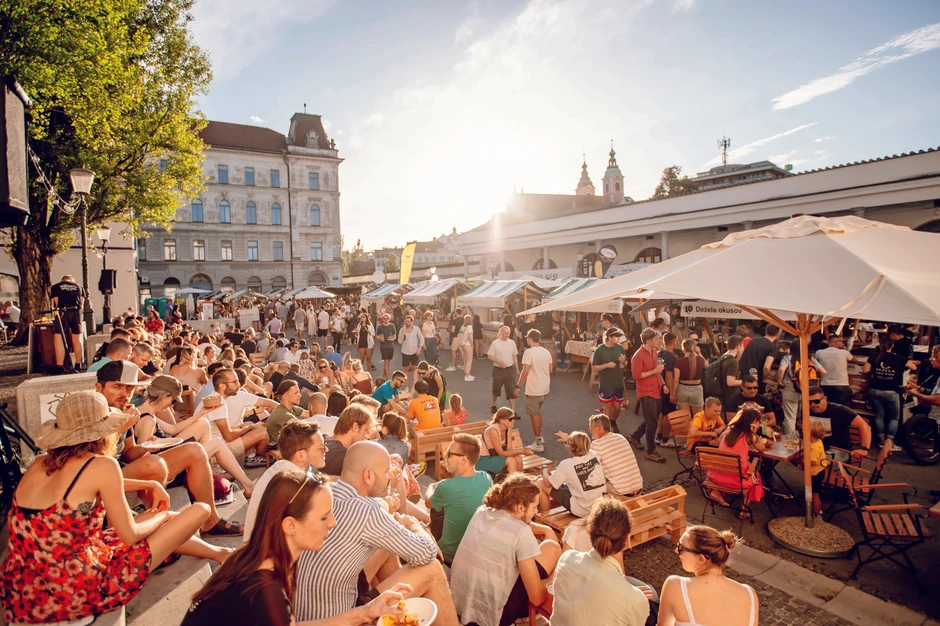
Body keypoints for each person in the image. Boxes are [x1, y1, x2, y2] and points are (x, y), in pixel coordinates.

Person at [2, 391, 227, 625]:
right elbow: (130, 536)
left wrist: (148, 484)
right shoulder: (101, 465)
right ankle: (219, 551)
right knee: (199, 510)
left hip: (22, 593)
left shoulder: (39, 464)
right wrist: (159, 517)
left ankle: (220, 554)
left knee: (156, 520)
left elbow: (88, 482)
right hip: (73, 591)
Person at [183, 470, 411, 626]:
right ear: (290, 525)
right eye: (324, 517)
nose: (333, 522)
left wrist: (365, 612)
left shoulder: (255, 557)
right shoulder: (265, 592)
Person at [295, 441, 460, 625]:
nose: (390, 476)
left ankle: (403, 612)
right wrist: (416, 527)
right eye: (386, 471)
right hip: (343, 617)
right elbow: (427, 554)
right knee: (433, 570)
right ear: (368, 475)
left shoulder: (328, 492)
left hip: (308, 612)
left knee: (386, 546)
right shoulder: (367, 511)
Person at [96, 362, 243, 537]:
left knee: (195, 450)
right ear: (99, 387)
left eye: (129, 388)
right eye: (116, 387)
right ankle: (152, 525)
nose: (124, 394)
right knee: (155, 464)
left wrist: (146, 447)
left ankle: (211, 522)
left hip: (126, 469)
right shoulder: (94, 412)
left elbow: (129, 453)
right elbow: (95, 462)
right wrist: (122, 429)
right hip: (104, 477)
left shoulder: (126, 411)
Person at [450, 473, 561, 626]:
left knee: (547, 549)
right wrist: (550, 580)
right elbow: (537, 598)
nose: (536, 512)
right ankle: (527, 614)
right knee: (553, 549)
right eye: (535, 507)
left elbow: (509, 522)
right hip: (493, 617)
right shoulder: (521, 532)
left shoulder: (482, 511)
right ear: (520, 506)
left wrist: (545, 530)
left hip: (459, 605)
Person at [551, 498, 651, 626]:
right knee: (652, 597)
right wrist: (632, 596)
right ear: (626, 538)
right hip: (629, 596)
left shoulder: (565, 559)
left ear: (589, 533)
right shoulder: (636, 600)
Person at [658, 525, 758, 626]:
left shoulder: (675, 586)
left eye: (680, 547)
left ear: (701, 559)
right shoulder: (749, 594)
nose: (676, 551)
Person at [243, 420, 327, 539]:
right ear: (300, 455)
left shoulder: (278, 468)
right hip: (272, 553)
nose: (326, 450)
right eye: (321, 447)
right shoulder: (296, 484)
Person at [425, 433, 493, 564]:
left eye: (449, 453)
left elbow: (428, 503)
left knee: (436, 506)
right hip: (476, 550)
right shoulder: (486, 478)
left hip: (450, 555)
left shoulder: (446, 486)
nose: (445, 457)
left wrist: (431, 486)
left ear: (463, 460)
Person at [196, 367, 276, 467]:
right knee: (261, 433)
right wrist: (251, 428)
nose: (239, 385)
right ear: (222, 386)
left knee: (248, 424)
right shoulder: (218, 403)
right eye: (235, 382)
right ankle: (262, 457)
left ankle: (251, 456)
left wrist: (249, 427)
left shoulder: (214, 398)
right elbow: (228, 437)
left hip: (207, 447)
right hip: (214, 452)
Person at [707, 408, 767, 515]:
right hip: (737, 481)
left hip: (717, 476)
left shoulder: (728, 432)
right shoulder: (751, 436)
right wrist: (755, 434)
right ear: (752, 423)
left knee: (738, 464)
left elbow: (721, 441)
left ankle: (716, 492)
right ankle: (743, 509)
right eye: (758, 422)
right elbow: (761, 448)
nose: (759, 424)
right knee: (756, 476)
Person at [538, 431, 606, 516]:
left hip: (582, 510)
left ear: (569, 447)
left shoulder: (566, 464)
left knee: (540, 483)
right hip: (599, 507)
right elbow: (581, 448)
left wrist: (545, 471)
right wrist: (569, 440)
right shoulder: (594, 455)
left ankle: (545, 517)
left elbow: (547, 484)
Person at [863, 336, 912, 451]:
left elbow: (865, 370)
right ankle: (890, 443)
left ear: (879, 344)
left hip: (874, 390)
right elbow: (913, 366)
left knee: (879, 415)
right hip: (891, 392)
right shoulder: (898, 358)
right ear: (892, 346)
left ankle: (882, 441)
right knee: (894, 418)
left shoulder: (874, 356)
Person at [580, 413, 643, 496]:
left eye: (591, 427)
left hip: (621, 493)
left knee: (592, 479)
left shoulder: (597, 444)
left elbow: (585, 464)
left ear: (598, 428)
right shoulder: (620, 437)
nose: (589, 430)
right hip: (638, 488)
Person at [628, 328, 667, 464]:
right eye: (656, 339)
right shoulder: (637, 356)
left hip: (656, 390)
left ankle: (635, 436)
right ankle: (651, 451)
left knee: (652, 419)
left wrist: (663, 384)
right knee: (652, 422)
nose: (659, 341)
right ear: (649, 340)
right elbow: (637, 376)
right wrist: (654, 370)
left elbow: (657, 372)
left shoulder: (654, 352)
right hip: (645, 392)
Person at [807, 386, 871, 463]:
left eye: (816, 401)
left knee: (816, 461)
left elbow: (865, 426)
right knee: (798, 458)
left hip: (837, 450)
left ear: (825, 399)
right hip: (815, 447)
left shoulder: (839, 410)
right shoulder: (806, 410)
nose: (813, 405)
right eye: (809, 402)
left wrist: (864, 449)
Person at [776, 339, 826, 435]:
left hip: (791, 390)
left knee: (790, 417)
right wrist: (817, 381)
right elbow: (824, 372)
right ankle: (806, 438)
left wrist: (779, 381)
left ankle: (790, 440)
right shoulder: (811, 359)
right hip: (808, 392)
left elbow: (781, 370)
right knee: (805, 416)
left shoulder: (788, 358)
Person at [515, 328, 553, 453]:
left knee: (534, 415)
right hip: (544, 388)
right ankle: (540, 438)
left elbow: (525, 372)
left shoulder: (529, 353)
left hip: (534, 389)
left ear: (529, 339)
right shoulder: (546, 352)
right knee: (537, 413)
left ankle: (538, 442)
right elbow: (550, 369)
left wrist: (518, 386)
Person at [322, 404, 377, 476]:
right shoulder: (344, 456)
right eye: (365, 431)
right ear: (355, 427)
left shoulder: (321, 439)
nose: (366, 437)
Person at [593, 327, 628, 432]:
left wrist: (623, 361)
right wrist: (606, 365)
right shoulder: (600, 350)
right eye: (616, 337)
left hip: (618, 382)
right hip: (606, 383)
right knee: (607, 406)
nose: (618, 339)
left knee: (617, 407)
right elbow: (594, 367)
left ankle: (613, 421)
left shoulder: (620, 348)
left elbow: (625, 365)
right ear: (609, 337)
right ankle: (607, 429)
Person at [478, 408, 529, 475]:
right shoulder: (493, 430)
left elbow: (509, 449)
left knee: (518, 459)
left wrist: (523, 450)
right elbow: (501, 453)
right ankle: (513, 483)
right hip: (483, 459)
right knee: (511, 460)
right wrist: (521, 451)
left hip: (495, 456)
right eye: (510, 419)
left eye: (514, 418)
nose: (513, 421)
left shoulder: (508, 429)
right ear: (502, 420)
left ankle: (521, 482)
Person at [814, 334, 862, 406]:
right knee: (841, 409)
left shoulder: (819, 353)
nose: (843, 343)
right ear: (835, 342)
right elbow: (856, 361)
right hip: (841, 385)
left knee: (828, 407)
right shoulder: (844, 353)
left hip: (825, 385)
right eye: (841, 341)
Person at [51, 274, 85, 372]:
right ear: (72, 281)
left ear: (62, 280)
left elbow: (57, 302)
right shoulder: (79, 287)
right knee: (77, 338)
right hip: (76, 312)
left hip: (63, 312)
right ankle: (78, 364)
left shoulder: (56, 287)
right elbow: (81, 303)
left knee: (59, 338)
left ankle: (60, 366)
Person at [737, 324, 780, 396]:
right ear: (778, 334)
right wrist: (764, 378)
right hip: (756, 379)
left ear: (766, 331)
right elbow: (767, 367)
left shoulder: (753, 340)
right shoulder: (772, 348)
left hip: (743, 375)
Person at [655, 332, 680, 448]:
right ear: (674, 343)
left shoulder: (659, 353)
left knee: (662, 413)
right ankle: (665, 439)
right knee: (669, 415)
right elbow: (669, 376)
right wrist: (672, 393)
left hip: (659, 387)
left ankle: (658, 436)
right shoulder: (671, 357)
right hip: (666, 389)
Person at [672, 338, 707, 421]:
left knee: (685, 418)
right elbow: (707, 365)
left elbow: (676, 380)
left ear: (683, 349)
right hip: (696, 388)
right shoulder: (700, 360)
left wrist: (673, 393)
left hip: (682, 388)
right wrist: (699, 353)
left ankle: (686, 433)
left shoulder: (678, 361)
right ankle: (696, 433)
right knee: (698, 417)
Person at [487, 325, 519, 414]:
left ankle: (512, 410)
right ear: (501, 333)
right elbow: (490, 356)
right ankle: (493, 404)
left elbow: (514, 356)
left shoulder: (512, 343)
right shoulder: (495, 343)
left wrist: (517, 369)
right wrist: (499, 362)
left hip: (510, 370)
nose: (507, 335)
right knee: (496, 389)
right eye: (505, 333)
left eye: (508, 333)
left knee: (511, 390)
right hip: (498, 370)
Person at [807, 419, 830, 517]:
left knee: (815, 494)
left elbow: (811, 462)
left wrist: (801, 461)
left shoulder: (815, 447)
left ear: (811, 433)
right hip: (819, 471)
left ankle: (816, 514)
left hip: (815, 473)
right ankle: (815, 511)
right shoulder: (818, 442)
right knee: (813, 493)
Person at [398, 315, 425, 387]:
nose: (406, 323)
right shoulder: (402, 330)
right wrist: (403, 332)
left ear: (412, 322)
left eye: (408, 321)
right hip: (405, 351)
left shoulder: (416, 329)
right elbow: (399, 341)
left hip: (414, 351)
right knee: (406, 370)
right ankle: (406, 386)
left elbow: (421, 339)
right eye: (406, 321)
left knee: (415, 369)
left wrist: (419, 349)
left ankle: (415, 386)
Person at [375, 313, 397, 380]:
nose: (386, 320)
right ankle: (387, 378)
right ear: (382, 319)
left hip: (390, 346)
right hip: (383, 346)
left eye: (387, 318)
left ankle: (384, 375)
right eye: (384, 318)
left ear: (389, 319)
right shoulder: (380, 327)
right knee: (386, 362)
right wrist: (379, 338)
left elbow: (394, 334)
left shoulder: (391, 326)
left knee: (388, 362)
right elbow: (376, 335)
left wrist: (393, 338)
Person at [458, 314, 475, 382]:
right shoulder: (470, 327)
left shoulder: (462, 326)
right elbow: (470, 336)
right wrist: (472, 344)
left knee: (465, 359)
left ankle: (467, 373)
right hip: (468, 344)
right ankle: (467, 375)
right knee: (469, 360)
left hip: (463, 344)